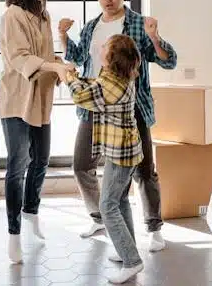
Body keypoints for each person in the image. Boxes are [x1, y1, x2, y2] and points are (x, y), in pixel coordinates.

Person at [59, 0, 178, 252]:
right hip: (96, 106)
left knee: (144, 170)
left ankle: (153, 227)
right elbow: (76, 56)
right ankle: (101, 217)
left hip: (131, 109)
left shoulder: (138, 25)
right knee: (81, 164)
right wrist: (62, 35)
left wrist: (155, 37)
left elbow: (169, 61)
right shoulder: (92, 26)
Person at [0, 0, 72, 264]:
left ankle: (31, 214)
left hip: (40, 99)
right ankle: (13, 234)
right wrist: (53, 66)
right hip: (16, 100)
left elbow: (44, 56)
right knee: (17, 165)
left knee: (41, 160)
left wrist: (62, 64)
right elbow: (19, 57)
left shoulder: (44, 16)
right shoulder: (11, 15)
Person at [65, 34, 145, 284]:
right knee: (119, 201)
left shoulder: (113, 85)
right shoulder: (118, 76)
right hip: (123, 150)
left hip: (122, 154)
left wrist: (68, 78)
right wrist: (76, 75)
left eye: (105, 47)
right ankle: (127, 252)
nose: (100, 48)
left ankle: (132, 261)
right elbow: (95, 83)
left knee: (107, 206)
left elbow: (82, 97)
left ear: (112, 58)